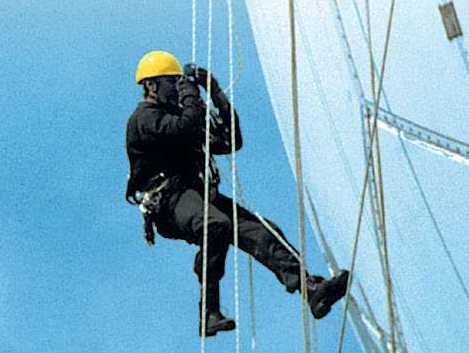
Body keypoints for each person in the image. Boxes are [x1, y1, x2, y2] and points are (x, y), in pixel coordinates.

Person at [125, 50, 349, 337]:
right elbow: (183, 127)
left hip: (194, 193)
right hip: (169, 200)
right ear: (151, 85)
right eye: (171, 82)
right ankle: (209, 312)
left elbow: (231, 140)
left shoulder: (182, 117)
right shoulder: (144, 119)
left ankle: (311, 289)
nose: (175, 88)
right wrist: (191, 95)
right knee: (215, 225)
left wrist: (215, 93)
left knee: (261, 231)